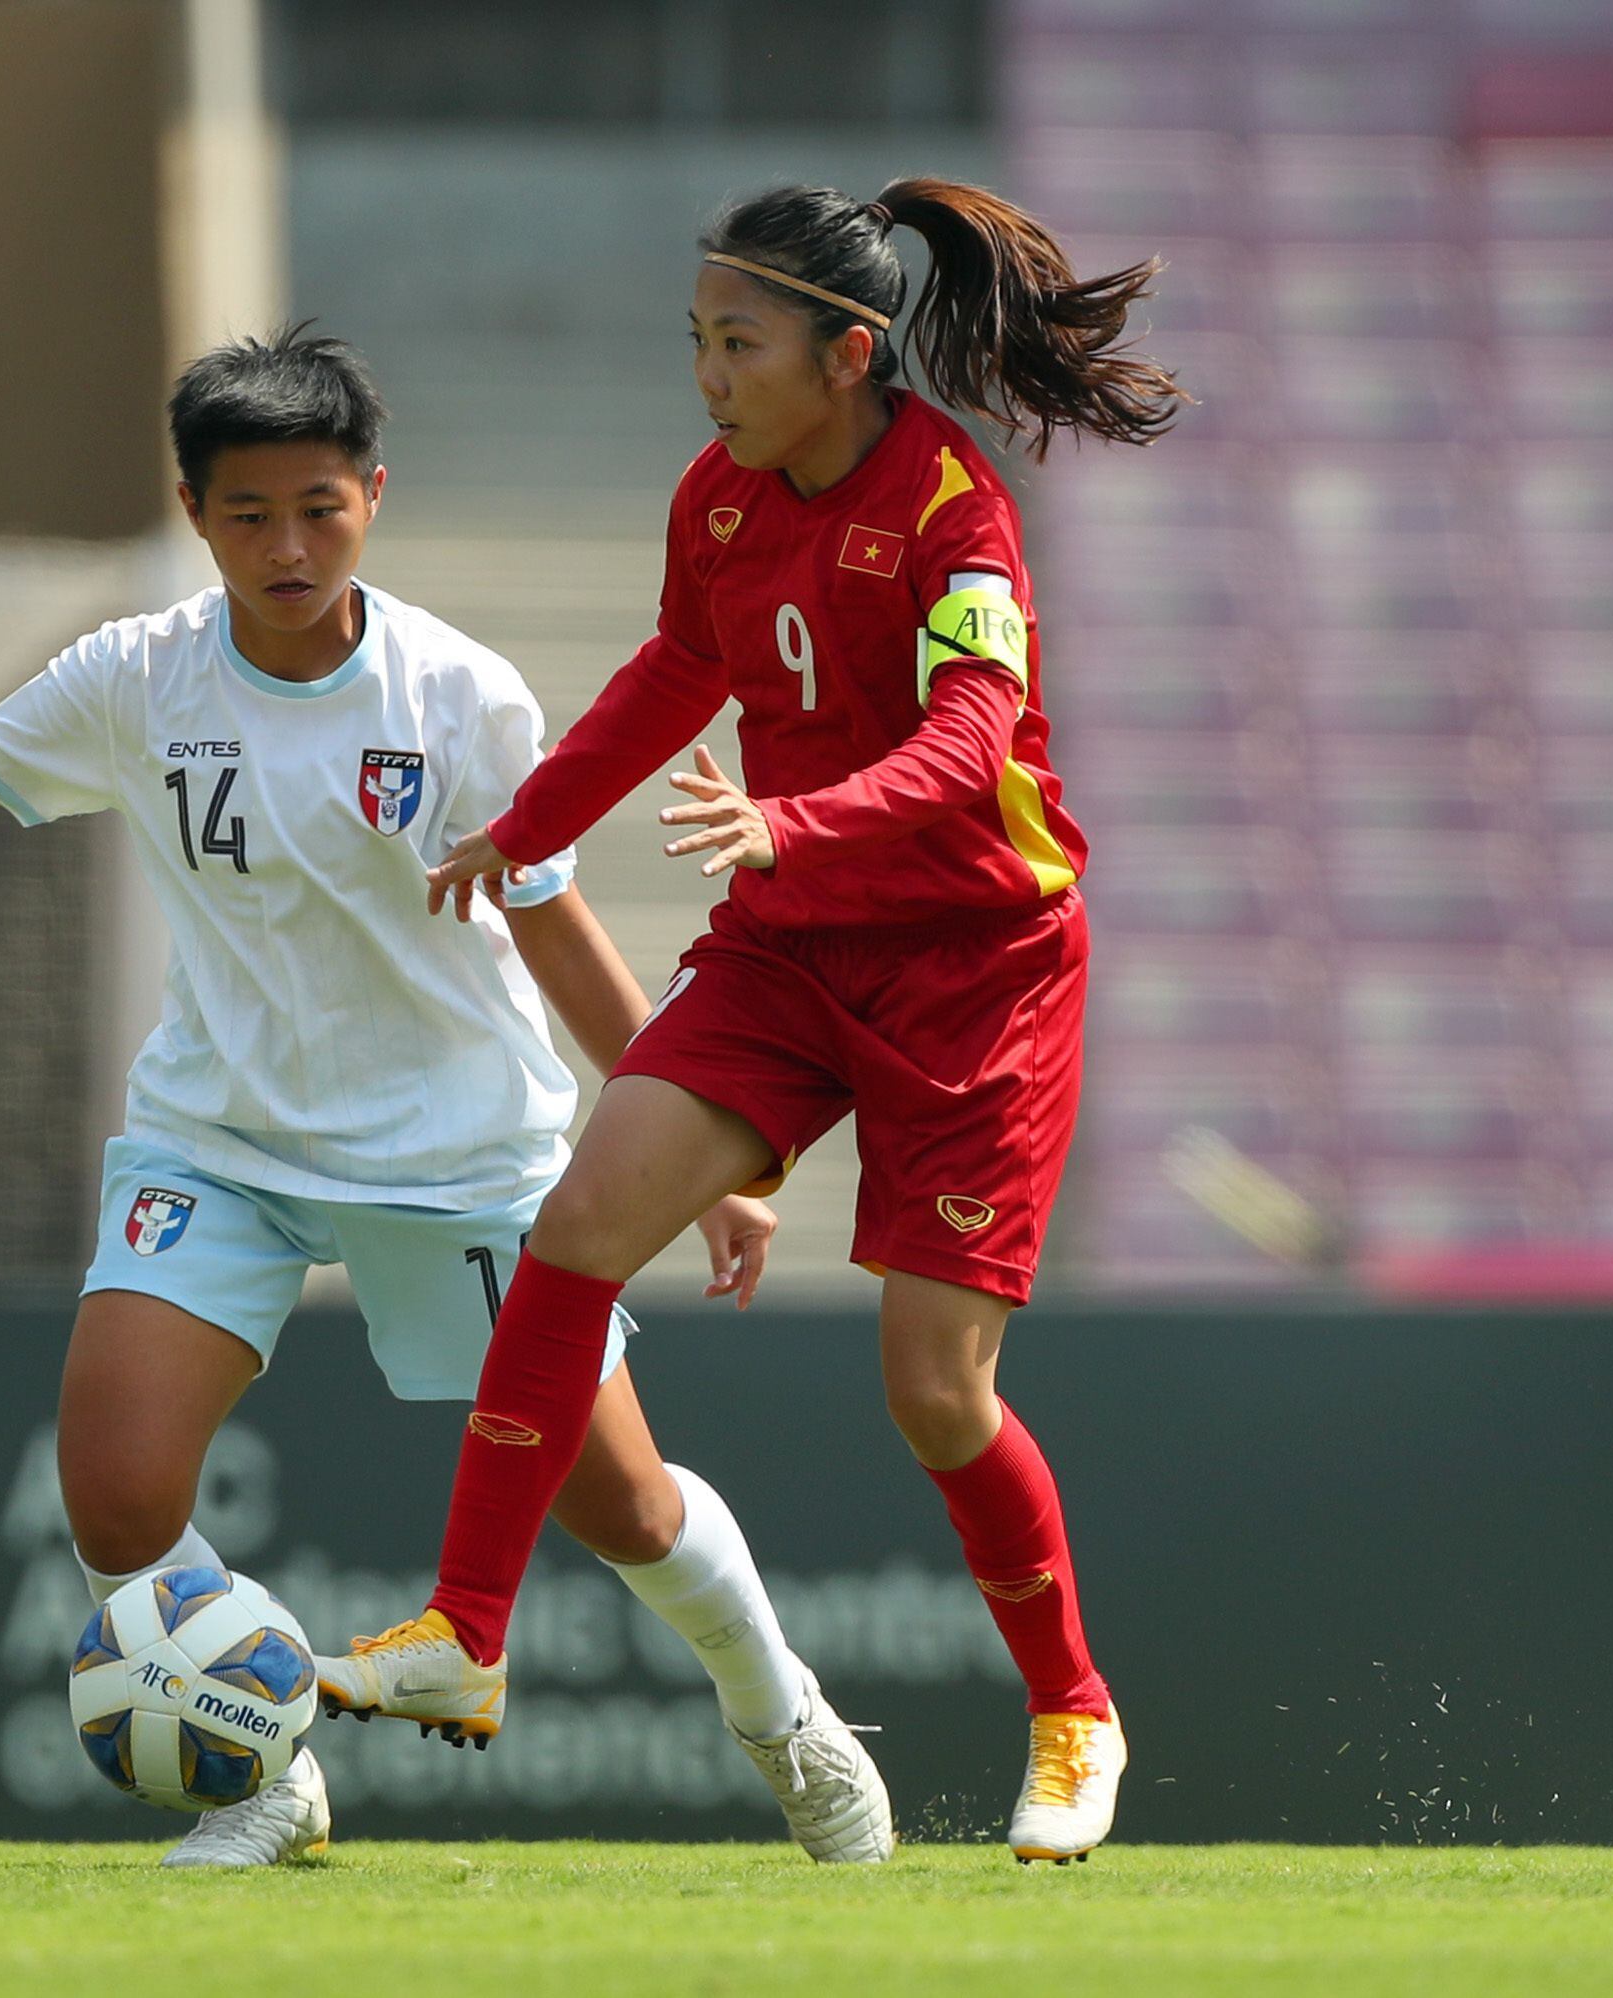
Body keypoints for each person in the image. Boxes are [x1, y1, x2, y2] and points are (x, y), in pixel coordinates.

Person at [0, 328, 892, 1868]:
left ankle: (787, 1719)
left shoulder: (461, 697)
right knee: (114, 1489)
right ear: (194, 513)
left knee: (626, 1511)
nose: (287, 546)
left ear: (375, 495)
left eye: (319, 506)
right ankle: (265, 1777)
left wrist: (697, 1146)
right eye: (248, 516)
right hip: (219, 1141)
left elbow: (552, 921)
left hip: (454, 1159)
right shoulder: (135, 678)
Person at [317, 180, 1186, 1865]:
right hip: (793, 952)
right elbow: (673, 668)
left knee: (933, 1394)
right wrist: (528, 822)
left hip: (975, 968)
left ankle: (1073, 1706)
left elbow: (970, 741)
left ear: (846, 354)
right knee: (574, 1224)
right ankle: (466, 1632)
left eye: (738, 343)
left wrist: (801, 816)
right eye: (697, 340)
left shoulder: (953, 510)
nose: (707, 374)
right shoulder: (719, 498)